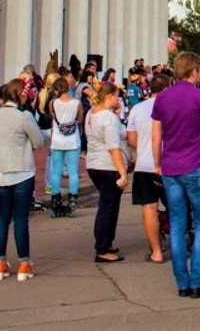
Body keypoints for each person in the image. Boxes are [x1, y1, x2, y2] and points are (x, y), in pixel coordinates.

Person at [152, 51, 200, 298]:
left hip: (171, 167)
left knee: (177, 224)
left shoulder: (162, 99)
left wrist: (158, 163)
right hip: (197, 165)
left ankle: (182, 282)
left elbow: (156, 135)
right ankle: (197, 281)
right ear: (193, 72)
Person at [0, 79, 45, 282]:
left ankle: (0, 261)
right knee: (21, 218)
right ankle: (23, 263)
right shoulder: (24, 116)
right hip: (21, 170)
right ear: (20, 94)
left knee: (3, 216)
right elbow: (38, 141)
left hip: (0, 170)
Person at [127, 73, 169, 263]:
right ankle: (178, 243)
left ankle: (156, 252)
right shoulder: (171, 107)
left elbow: (131, 140)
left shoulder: (137, 109)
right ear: (167, 89)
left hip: (144, 165)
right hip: (169, 164)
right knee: (176, 205)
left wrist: (144, 149)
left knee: (148, 208)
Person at [85, 82, 129, 263]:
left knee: (109, 204)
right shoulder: (108, 118)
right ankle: (102, 247)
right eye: (117, 96)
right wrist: (123, 172)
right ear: (109, 96)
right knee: (108, 206)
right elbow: (113, 148)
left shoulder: (91, 113)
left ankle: (107, 241)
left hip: (94, 163)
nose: (119, 100)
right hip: (107, 165)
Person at [46, 77, 81, 216]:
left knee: (56, 172)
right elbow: (80, 119)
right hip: (72, 140)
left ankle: (55, 200)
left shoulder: (53, 103)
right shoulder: (76, 103)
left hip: (57, 140)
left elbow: (52, 119)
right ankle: (72, 199)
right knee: (73, 172)